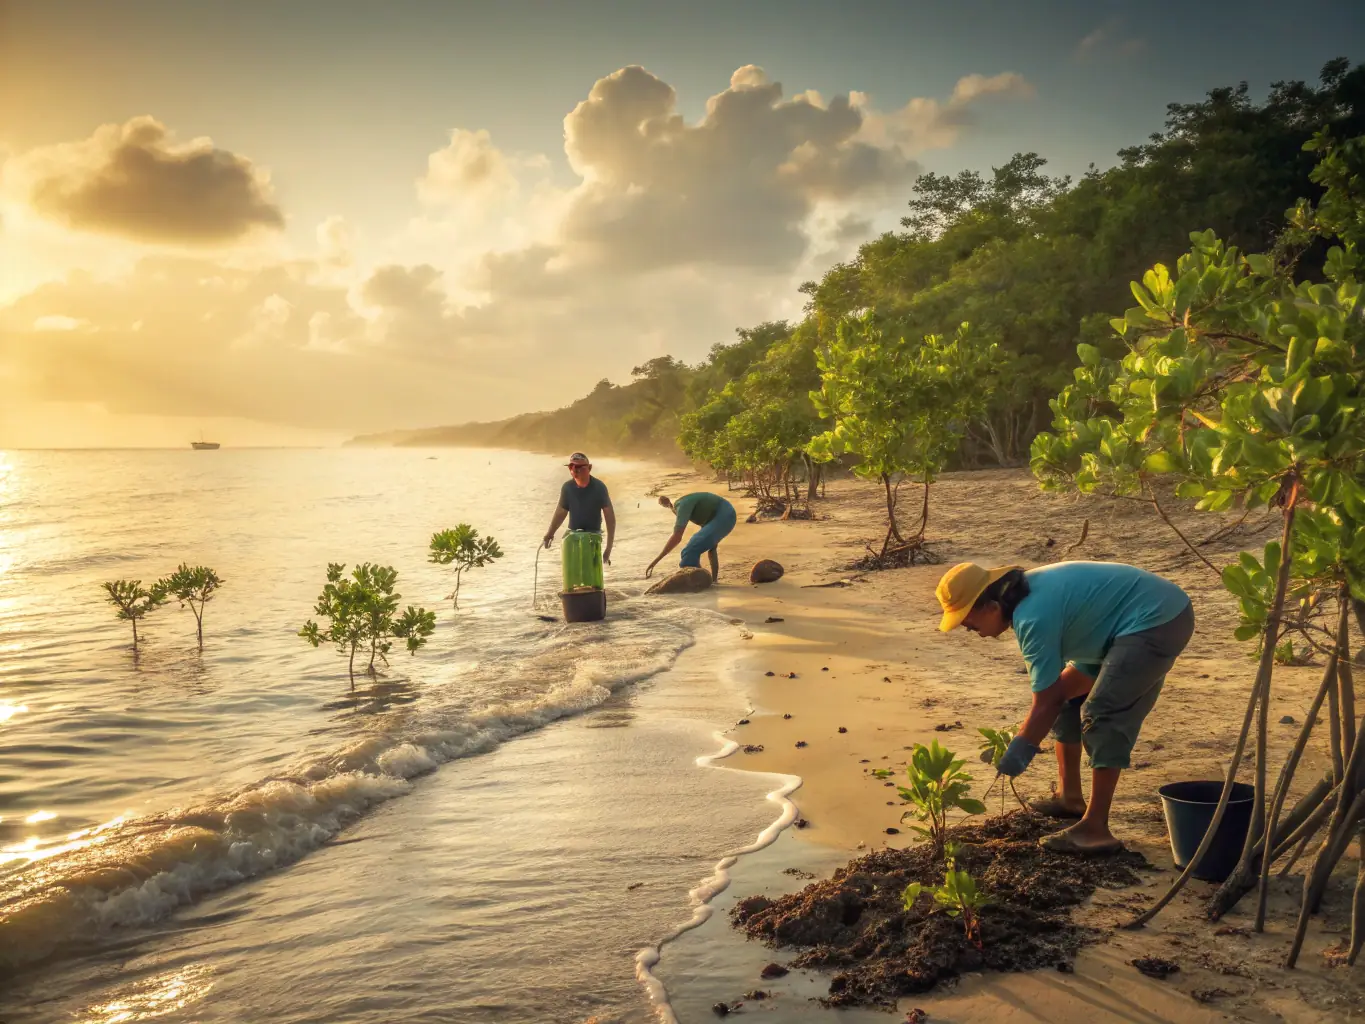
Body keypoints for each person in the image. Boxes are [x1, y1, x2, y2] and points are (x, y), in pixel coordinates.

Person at [936, 560, 1194, 854]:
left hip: (1156, 620)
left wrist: (1018, 752)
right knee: (1069, 701)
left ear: (992, 607)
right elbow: (1055, 697)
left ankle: (1096, 828)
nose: (971, 631)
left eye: (969, 623)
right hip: (1111, 628)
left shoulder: (1031, 617)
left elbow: (1045, 701)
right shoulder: (1025, 596)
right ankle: (1069, 796)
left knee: (1103, 715)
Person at [645, 492, 737, 581]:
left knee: (689, 552)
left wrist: (656, 561)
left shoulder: (683, 506)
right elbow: (712, 551)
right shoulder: (687, 508)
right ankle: (712, 581)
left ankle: (703, 585)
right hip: (723, 514)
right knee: (709, 547)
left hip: (724, 514)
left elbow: (677, 536)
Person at [543, 452, 614, 565]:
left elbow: (610, 518)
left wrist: (608, 549)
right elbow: (560, 512)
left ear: (589, 468)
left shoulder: (599, 488)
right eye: (571, 466)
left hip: (593, 535)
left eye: (579, 467)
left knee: (589, 569)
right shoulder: (567, 488)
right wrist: (550, 534)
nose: (575, 470)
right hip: (573, 534)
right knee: (571, 567)